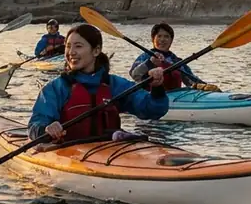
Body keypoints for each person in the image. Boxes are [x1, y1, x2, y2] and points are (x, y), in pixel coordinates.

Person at [28, 24, 170, 145]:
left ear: (96, 51)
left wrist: (157, 87)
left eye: (78, 46)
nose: (71, 52)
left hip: (109, 152)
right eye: (68, 46)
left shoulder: (114, 85)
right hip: (69, 154)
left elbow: (154, 110)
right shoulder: (56, 89)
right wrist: (45, 129)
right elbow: (35, 125)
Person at [129, 22, 220, 92]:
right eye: (159, 36)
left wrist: (206, 87)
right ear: (153, 39)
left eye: (166, 37)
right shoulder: (145, 56)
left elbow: (190, 81)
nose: (163, 40)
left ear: (171, 40)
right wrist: (149, 63)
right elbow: (134, 74)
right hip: (151, 96)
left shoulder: (175, 60)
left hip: (174, 97)